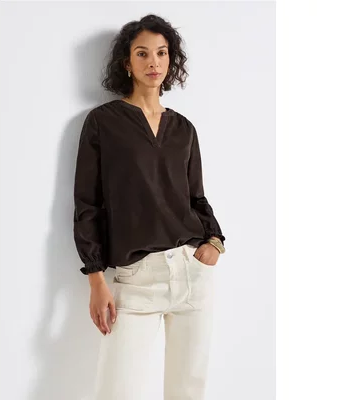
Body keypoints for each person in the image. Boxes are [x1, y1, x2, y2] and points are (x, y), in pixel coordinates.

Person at [73, 14, 226, 400]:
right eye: (142, 53)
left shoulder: (184, 128)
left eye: (162, 53)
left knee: (188, 391)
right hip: (136, 278)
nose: (153, 62)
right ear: (127, 63)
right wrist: (96, 279)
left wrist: (215, 241)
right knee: (116, 390)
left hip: (191, 274)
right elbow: (87, 203)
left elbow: (196, 198)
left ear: (171, 60)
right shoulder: (103, 122)